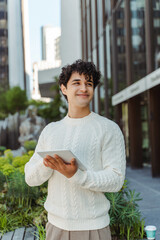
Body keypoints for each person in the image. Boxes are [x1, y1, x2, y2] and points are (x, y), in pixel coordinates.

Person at [25, 59, 126, 240]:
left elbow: (116, 179)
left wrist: (76, 175)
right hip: (55, 228)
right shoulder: (50, 130)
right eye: (76, 83)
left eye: (89, 83)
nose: (84, 88)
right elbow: (30, 178)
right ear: (64, 88)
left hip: (94, 228)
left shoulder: (108, 128)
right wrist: (48, 163)